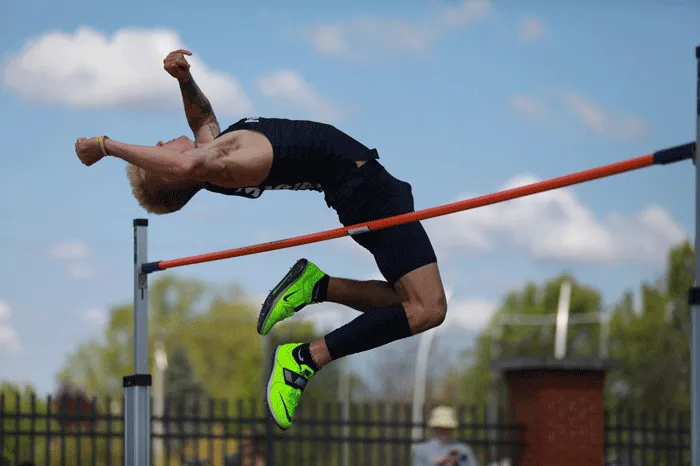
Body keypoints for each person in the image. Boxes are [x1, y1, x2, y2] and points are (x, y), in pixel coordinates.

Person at [74, 49, 448, 431]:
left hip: (363, 190)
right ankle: (305, 358)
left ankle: (316, 286)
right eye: (158, 152)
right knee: (428, 309)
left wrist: (185, 81)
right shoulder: (221, 167)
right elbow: (186, 164)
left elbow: (202, 118)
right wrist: (104, 145)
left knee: (412, 305)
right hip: (367, 192)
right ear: (171, 172)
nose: (159, 140)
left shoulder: (216, 152)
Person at [411, 406, 479, 466]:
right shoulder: (421, 450)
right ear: (434, 428)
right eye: (440, 428)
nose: (444, 431)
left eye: (447, 428)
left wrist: (457, 462)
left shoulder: (463, 449)